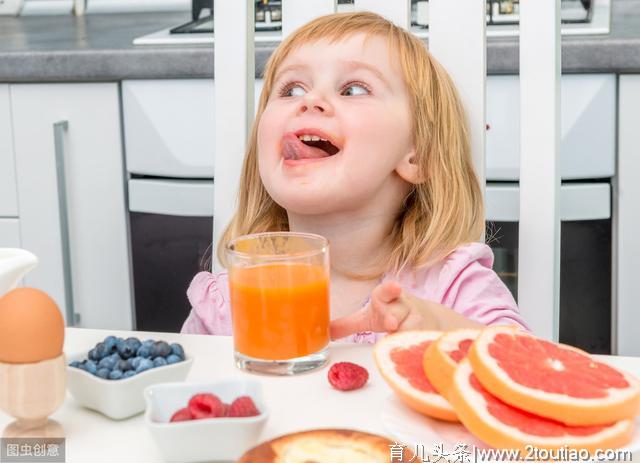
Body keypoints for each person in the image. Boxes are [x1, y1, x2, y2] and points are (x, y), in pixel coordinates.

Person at [181, 11, 529, 342]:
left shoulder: (452, 286)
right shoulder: (227, 302)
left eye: (353, 90)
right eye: (292, 90)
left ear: (418, 154)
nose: (311, 100)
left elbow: (523, 367)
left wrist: (440, 327)